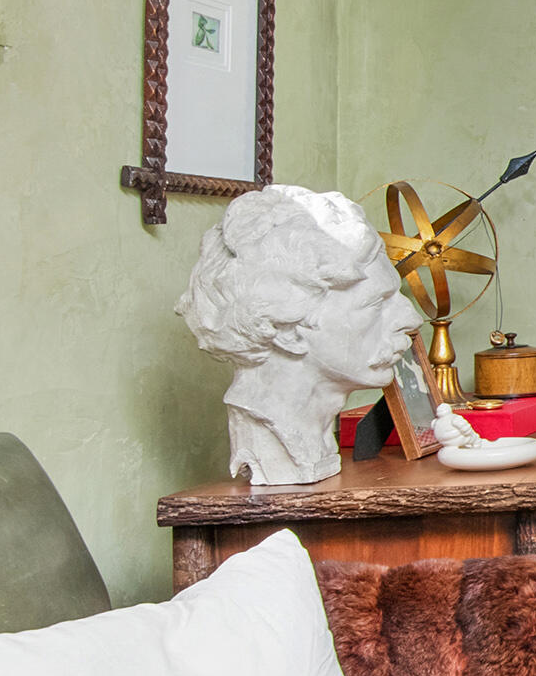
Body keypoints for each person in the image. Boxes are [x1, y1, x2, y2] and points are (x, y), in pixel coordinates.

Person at [176, 185, 419, 486]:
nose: (412, 319)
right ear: (287, 330)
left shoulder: (317, 435)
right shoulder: (270, 442)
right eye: (376, 303)